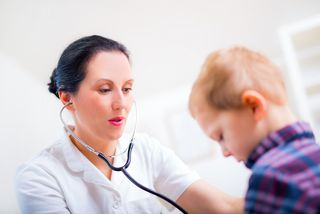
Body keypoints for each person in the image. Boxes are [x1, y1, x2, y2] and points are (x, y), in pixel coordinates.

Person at [15, 35, 243, 214]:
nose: (121, 104)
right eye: (104, 89)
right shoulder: (39, 176)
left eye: (127, 88)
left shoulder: (147, 150)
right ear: (67, 98)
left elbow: (223, 208)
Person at [188, 46, 320, 213]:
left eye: (221, 137)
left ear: (254, 106)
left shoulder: (269, 179)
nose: (225, 152)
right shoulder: (314, 154)